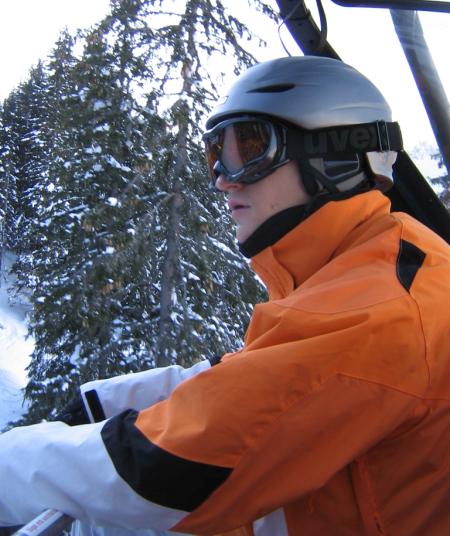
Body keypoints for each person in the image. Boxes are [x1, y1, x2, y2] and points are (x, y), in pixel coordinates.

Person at [1, 55, 449, 535]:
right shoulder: (372, 263)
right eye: (217, 152)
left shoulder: (380, 309)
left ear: (334, 158)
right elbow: (254, 376)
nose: (222, 178)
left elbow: (159, 471)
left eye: (249, 149)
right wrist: (101, 403)